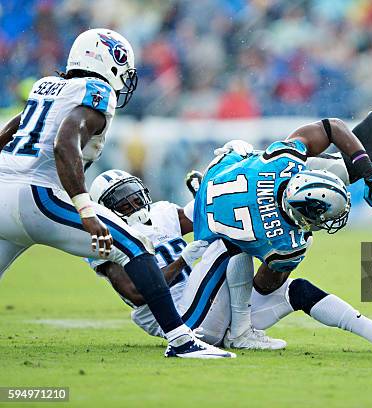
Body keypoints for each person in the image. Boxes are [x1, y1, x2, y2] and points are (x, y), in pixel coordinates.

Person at [0, 28, 232, 359]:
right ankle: (182, 340)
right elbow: (64, 144)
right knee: (135, 245)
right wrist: (85, 209)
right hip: (38, 195)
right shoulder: (96, 91)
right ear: (109, 60)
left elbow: (11, 129)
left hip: (2, 194)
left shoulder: (45, 87)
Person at [189, 69, 372, 349]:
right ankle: (242, 331)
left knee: (346, 169)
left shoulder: (281, 164)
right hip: (208, 285)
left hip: (216, 184)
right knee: (267, 273)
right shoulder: (286, 233)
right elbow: (265, 285)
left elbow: (332, 127)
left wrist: (369, 173)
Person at [88, 169, 372, 352]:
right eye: (121, 198)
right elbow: (137, 292)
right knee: (232, 234)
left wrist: (209, 190)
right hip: (184, 322)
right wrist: (185, 260)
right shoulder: (104, 237)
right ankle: (241, 333)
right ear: (106, 208)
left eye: (133, 191)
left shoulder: (159, 213)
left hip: (216, 302)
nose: (133, 201)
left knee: (296, 289)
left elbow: (199, 214)